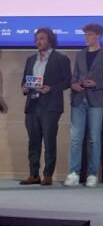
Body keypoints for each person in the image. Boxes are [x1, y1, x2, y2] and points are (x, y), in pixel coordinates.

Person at [64, 23, 103, 188]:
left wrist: (96, 84)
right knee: (76, 139)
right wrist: (74, 84)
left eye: (90, 34)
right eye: (85, 34)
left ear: (98, 35)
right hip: (78, 100)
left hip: (97, 100)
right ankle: (74, 173)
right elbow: (74, 76)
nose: (86, 37)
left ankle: (92, 174)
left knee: (94, 138)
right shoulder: (80, 54)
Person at [20, 27, 71, 186]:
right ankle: (33, 174)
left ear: (50, 40)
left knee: (49, 141)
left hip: (50, 105)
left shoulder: (61, 58)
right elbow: (24, 80)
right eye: (37, 39)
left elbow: (67, 81)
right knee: (33, 142)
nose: (38, 41)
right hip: (32, 104)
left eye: (42, 38)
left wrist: (51, 88)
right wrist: (24, 88)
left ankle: (48, 175)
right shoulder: (30, 59)